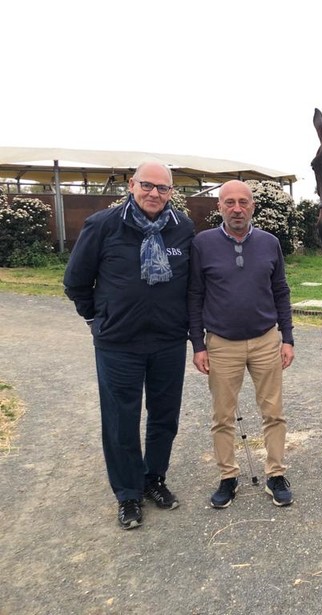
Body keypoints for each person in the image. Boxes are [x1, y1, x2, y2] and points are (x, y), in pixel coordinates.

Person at [63, 162, 195, 530]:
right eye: (147, 186)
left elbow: (191, 284)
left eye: (163, 188)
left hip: (168, 341)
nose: (154, 194)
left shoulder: (182, 228)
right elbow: (76, 282)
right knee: (121, 420)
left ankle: (154, 479)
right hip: (118, 344)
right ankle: (128, 493)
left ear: (171, 193)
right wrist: (98, 319)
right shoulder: (103, 225)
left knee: (165, 416)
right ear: (132, 185)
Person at [188, 180, 295, 509]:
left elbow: (281, 291)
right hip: (221, 343)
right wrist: (198, 344)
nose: (237, 208)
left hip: (265, 340)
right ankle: (227, 476)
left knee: (273, 413)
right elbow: (194, 296)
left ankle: (275, 474)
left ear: (252, 207)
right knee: (223, 416)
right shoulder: (202, 244)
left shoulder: (269, 242)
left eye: (243, 202)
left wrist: (287, 338)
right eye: (229, 202)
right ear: (219, 207)